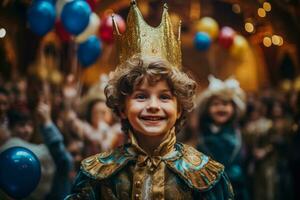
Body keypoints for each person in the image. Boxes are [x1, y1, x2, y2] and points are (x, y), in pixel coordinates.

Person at [65, 1, 233, 199]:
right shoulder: (97, 177)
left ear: (179, 108)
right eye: (141, 96)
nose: (153, 106)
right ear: (122, 108)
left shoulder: (206, 176)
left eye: (164, 97)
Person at [196, 75, 248, 200]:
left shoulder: (239, 133)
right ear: (207, 109)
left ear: (234, 108)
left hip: (237, 189)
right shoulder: (200, 134)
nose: (221, 108)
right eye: (215, 104)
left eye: (225, 104)